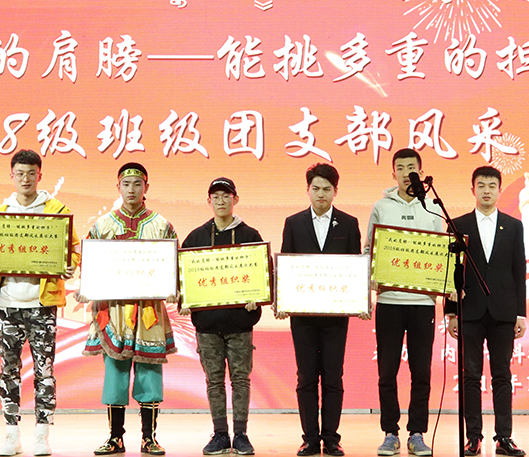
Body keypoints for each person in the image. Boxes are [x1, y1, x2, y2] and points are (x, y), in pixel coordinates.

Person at [0, 149, 80, 457]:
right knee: (8, 370)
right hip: (8, 304)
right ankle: (11, 434)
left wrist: (69, 265)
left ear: (40, 175)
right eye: (20, 173)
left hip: (42, 304)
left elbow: (73, 250)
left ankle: (42, 434)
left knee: (44, 370)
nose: (25, 179)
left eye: (31, 173)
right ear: (11, 175)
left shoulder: (56, 211)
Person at [84, 162, 178, 456]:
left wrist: (175, 288)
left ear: (146, 187)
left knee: (149, 373)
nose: (132, 189)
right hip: (113, 310)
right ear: (118, 187)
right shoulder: (102, 225)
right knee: (115, 373)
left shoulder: (161, 225)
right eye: (126, 184)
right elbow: (90, 266)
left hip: (148, 310)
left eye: (138, 184)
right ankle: (115, 437)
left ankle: (149, 438)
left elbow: (174, 266)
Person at [364, 149, 444, 457]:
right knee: (387, 371)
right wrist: (372, 275)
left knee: (421, 372)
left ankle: (417, 433)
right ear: (393, 173)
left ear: (421, 173)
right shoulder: (381, 206)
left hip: (423, 302)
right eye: (400, 168)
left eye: (411, 168)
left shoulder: (433, 207)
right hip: (389, 301)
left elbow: (441, 252)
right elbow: (369, 248)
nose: (406, 173)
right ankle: (390, 432)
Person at [279, 163, 362, 457]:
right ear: (308, 190)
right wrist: (282, 301)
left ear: (335, 191)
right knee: (306, 378)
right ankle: (310, 439)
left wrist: (360, 301)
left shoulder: (349, 223)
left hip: (336, 316)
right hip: (302, 316)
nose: (321, 194)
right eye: (316, 188)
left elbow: (355, 266)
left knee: (333, 377)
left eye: (327, 189)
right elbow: (286, 263)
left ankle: (331, 438)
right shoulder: (294, 223)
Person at [444, 166, 527, 457]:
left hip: (504, 311)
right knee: (470, 376)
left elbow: (519, 270)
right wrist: (451, 313)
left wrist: (521, 313)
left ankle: (504, 438)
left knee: (502, 375)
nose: (487, 191)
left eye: (492, 185)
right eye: (481, 185)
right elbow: (449, 272)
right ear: (473, 190)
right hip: (469, 311)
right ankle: (473, 437)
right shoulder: (457, 225)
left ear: (500, 190)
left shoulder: (513, 226)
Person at [180, 177, 263, 456]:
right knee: (213, 381)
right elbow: (183, 276)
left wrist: (257, 296)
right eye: (215, 196)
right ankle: (219, 434)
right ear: (209, 201)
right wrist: (185, 299)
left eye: (226, 196)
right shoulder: (196, 237)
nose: (220, 201)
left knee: (241, 380)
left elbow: (262, 276)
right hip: (207, 326)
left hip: (239, 324)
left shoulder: (250, 236)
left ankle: (241, 434)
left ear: (235, 199)